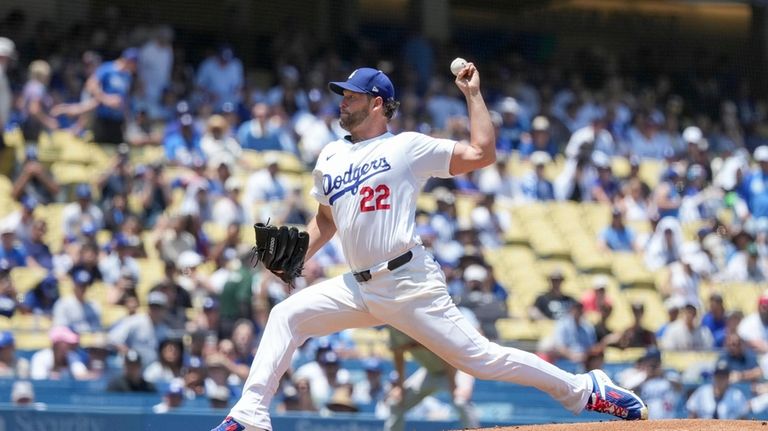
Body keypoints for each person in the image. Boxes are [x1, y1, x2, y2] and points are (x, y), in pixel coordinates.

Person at [211, 64, 647, 431]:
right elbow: (326, 220)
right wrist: (298, 256)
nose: (342, 101)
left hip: (407, 281)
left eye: (351, 96)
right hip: (359, 288)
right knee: (287, 314)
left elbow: (481, 152)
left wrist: (473, 95)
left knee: (481, 360)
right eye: (342, 95)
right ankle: (250, 414)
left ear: (377, 103)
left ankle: (586, 390)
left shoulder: (406, 147)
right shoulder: (329, 156)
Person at [385, 326, 479, 431]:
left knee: (460, 401)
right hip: (430, 372)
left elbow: (445, 352)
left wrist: (453, 385)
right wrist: (400, 387)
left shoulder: (423, 321)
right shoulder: (393, 325)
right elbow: (398, 355)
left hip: (457, 368)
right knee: (395, 402)